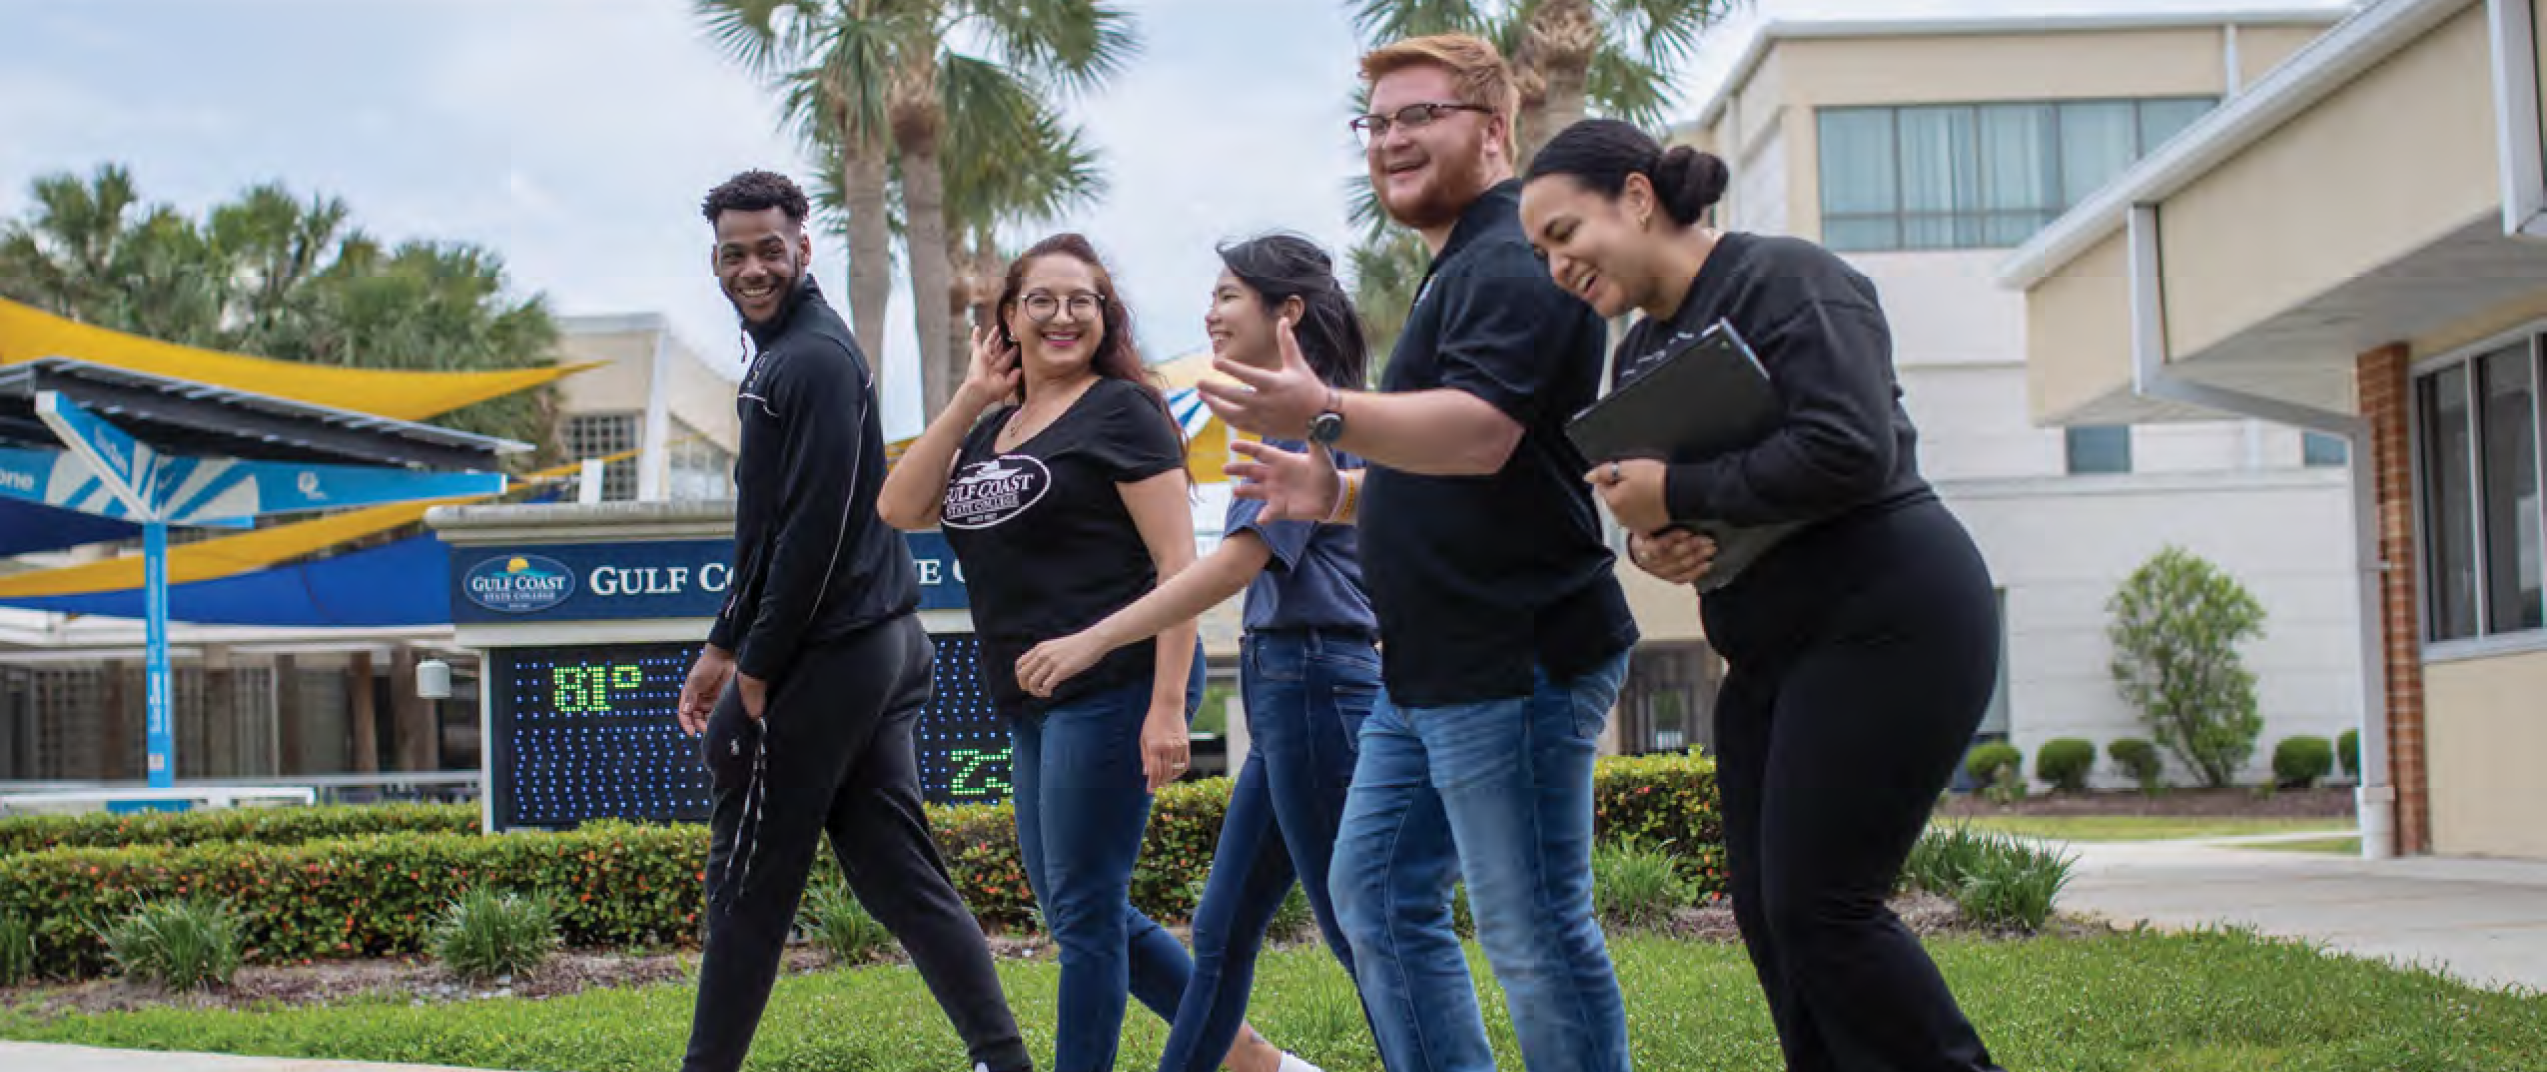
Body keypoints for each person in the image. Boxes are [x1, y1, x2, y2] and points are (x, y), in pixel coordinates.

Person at [1517, 117, 2008, 1072]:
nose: (1555, 267)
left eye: (1564, 234)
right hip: (1769, 647)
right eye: (1539, 253)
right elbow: (1708, 499)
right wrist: (1662, 544)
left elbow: (1849, 446)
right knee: (1771, 917)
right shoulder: (1639, 353)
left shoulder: (1787, 278)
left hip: (1887, 611)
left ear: (1635, 196)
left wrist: (1679, 491)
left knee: (1823, 906)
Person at [1195, 35, 1640, 1072]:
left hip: (1513, 652)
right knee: (1377, 892)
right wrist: (1336, 492)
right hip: (1430, 663)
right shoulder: (1459, 269)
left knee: (1532, 927)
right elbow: (1470, 465)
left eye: (1419, 117)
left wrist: (1328, 413)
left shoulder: (1509, 257)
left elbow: (1482, 432)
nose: (1391, 140)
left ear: (1493, 131)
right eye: (1377, 124)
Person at [878, 234, 1298, 1072]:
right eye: (1041, 300)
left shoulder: (1123, 411)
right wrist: (967, 399)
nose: (1063, 315)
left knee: (1083, 913)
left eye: (1083, 301)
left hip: (1111, 685)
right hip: (1028, 695)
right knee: (1083, 909)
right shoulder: (989, 426)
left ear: (1105, 317)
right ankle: (1252, 1063)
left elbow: (1179, 567)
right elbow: (899, 505)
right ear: (1008, 318)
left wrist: (1165, 706)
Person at [671, 169, 1033, 1072]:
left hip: (830, 654)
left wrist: (755, 668)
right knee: (896, 874)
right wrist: (722, 642)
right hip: (866, 646)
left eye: (769, 249)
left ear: (804, 247)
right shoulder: (785, 356)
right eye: (733, 253)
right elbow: (763, 533)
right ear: (715, 258)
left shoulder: (815, 359)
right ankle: (1006, 1060)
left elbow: (822, 528)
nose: (751, 267)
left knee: (748, 882)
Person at [1015, 233, 1372, 1072]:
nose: (1209, 312)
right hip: (1284, 684)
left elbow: (1233, 562)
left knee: (1367, 934)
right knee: (1219, 934)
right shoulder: (1290, 415)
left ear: (1286, 312)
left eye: (1227, 296)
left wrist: (1095, 637)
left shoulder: (1309, 423)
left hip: (1318, 683)